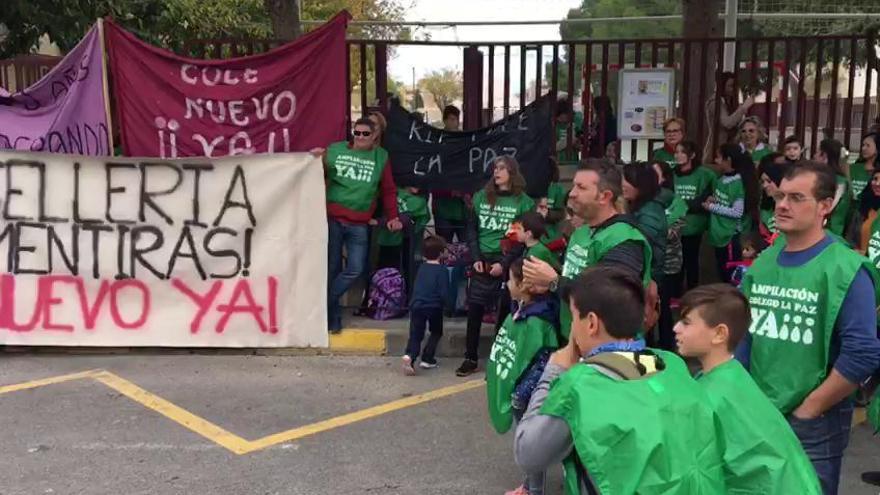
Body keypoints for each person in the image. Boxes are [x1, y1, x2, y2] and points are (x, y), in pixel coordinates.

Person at [514, 266, 727, 494]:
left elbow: (528, 453)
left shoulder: (579, 386)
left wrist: (554, 371)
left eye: (574, 317)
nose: (572, 327)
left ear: (592, 323)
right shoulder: (668, 363)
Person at [739, 161, 880, 495]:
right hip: (759, 412)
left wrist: (809, 409)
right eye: (780, 196)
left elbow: (862, 352)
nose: (783, 205)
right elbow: (744, 333)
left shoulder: (846, 268)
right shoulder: (766, 260)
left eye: (797, 197)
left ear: (825, 206)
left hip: (813, 425)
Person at [674, 284, 822, 494]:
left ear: (719, 334)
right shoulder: (734, 375)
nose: (676, 328)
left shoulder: (710, 395)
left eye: (686, 323)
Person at [523, 159, 652, 340]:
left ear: (604, 197)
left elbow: (611, 297)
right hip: (574, 338)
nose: (572, 194)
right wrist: (544, 283)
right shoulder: (581, 232)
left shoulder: (624, 240)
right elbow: (575, 278)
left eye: (581, 188)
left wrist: (554, 282)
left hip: (608, 348)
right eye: (574, 186)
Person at [316, 118, 402, 333]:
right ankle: (332, 317)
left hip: (359, 223)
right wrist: (315, 158)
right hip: (333, 219)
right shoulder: (334, 150)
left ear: (374, 135)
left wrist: (393, 216)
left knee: (355, 269)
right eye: (357, 133)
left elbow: (389, 190)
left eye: (365, 133)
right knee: (332, 267)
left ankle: (326, 301)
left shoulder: (381, 157)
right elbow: (314, 173)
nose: (360, 137)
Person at [487, 257, 560, 495]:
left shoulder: (538, 321)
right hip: (521, 392)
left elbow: (540, 363)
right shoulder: (522, 312)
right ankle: (527, 486)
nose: (507, 284)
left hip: (527, 395)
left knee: (531, 444)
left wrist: (520, 395)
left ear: (525, 286)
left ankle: (534, 490)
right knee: (525, 439)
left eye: (510, 280)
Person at [457, 156, 535, 377]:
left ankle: (498, 359)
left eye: (502, 168)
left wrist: (505, 263)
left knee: (503, 315)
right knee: (474, 312)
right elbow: (471, 229)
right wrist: (475, 258)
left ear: (512, 172)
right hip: (482, 259)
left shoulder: (524, 202)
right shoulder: (481, 197)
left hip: (506, 262)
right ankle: (470, 357)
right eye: (495, 168)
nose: (497, 172)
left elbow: (523, 239)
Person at [704, 144, 757, 283]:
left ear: (728, 160)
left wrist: (712, 207)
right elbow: (724, 201)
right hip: (720, 234)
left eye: (718, 157)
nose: (716, 161)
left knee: (731, 275)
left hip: (731, 236)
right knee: (722, 270)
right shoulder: (722, 179)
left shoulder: (738, 182)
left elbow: (737, 212)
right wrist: (713, 200)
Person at [653, 159, 688, 350]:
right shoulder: (644, 202)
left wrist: (652, 228)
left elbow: (673, 233)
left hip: (669, 263)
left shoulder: (676, 202)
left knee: (663, 306)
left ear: (664, 178)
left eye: (655, 173)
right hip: (649, 262)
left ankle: (667, 346)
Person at [401, 236, 450, 375]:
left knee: (416, 334)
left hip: (417, 305)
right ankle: (427, 358)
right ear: (441, 253)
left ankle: (410, 356)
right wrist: (449, 306)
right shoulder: (442, 270)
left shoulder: (421, 268)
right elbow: (444, 291)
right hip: (434, 306)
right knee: (436, 331)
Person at [673, 140, 716, 290]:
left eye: (682, 152)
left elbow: (707, 200)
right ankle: (676, 292)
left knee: (691, 260)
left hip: (694, 226)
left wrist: (685, 205)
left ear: (692, 155)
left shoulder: (705, 174)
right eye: (676, 152)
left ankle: (692, 290)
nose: (678, 155)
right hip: (675, 226)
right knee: (676, 262)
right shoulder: (672, 174)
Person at [622, 162, 667, 286]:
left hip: (648, 276)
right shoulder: (636, 206)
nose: (623, 184)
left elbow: (638, 243)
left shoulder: (651, 212)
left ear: (641, 185)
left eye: (627, 180)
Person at [376, 186, 430, 282]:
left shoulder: (419, 201)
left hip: (406, 238)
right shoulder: (392, 191)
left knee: (407, 266)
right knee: (382, 267)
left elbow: (411, 219)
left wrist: (378, 222)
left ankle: (404, 290)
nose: (417, 185)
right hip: (383, 238)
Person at [704, 71, 755, 160]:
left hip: (731, 147)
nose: (733, 89)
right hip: (717, 148)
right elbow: (727, 123)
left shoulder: (730, 101)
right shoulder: (715, 102)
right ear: (722, 86)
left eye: (735, 86)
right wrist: (743, 108)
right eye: (730, 86)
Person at [814, 139, 851, 236]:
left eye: (817, 152)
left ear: (824, 156)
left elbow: (828, 208)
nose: (814, 156)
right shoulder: (842, 180)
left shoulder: (838, 182)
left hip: (829, 232)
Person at [757, 152, 786, 242]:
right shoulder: (764, 207)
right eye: (762, 182)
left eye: (769, 181)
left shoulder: (794, 207)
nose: (764, 185)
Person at [855, 169, 880, 267]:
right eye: (875, 179)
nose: (878, 183)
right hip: (858, 265)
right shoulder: (864, 208)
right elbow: (852, 238)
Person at [850, 133, 880, 203]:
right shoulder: (852, 168)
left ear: (877, 149)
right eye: (863, 145)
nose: (863, 148)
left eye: (868, 145)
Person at [555, 97, 584, 164]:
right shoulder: (554, 127)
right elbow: (554, 147)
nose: (559, 119)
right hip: (558, 163)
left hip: (573, 162)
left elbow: (579, 147)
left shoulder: (574, 124)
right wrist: (570, 140)